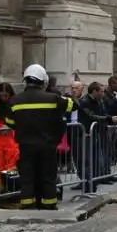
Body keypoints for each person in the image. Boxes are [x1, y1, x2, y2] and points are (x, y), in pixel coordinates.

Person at [5, 64, 73, 210]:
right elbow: (73, 105)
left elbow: (10, 122)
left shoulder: (15, 100)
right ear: (43, 81)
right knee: (48, 175)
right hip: (47, 144)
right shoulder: (53, 98)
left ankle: (28, 203)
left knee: (27, 176)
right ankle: (48, 203)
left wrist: (23, 128)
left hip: (26, 145)